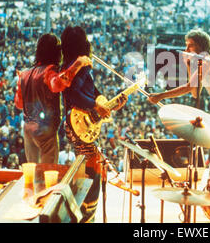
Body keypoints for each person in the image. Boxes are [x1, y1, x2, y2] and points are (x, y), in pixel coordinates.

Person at [60, 26, 128, 223]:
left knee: (89, 168)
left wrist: (108, 104)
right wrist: (94, 105)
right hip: (78, 124)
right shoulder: (80, 65)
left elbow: (92, 92)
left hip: (76, 124)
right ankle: (86, 216)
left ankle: (85, 214)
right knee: (92, 172)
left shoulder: (69, 66)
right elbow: (74, 96)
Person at [148, 29, 210, 153]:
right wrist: (188, 64)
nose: (186, 49)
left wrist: (160, 96)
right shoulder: (203, 63)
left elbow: (189, 86)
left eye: (190, 45)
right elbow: (195, 93)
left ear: (200, 45)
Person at [14, 33, 92, 164]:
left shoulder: (24, 74)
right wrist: (78, 64)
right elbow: (58, 84)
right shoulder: (49, 71)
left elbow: (19, 104)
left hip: (28, 129)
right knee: (47, 173)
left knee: (33, 170)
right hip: (45, 130)